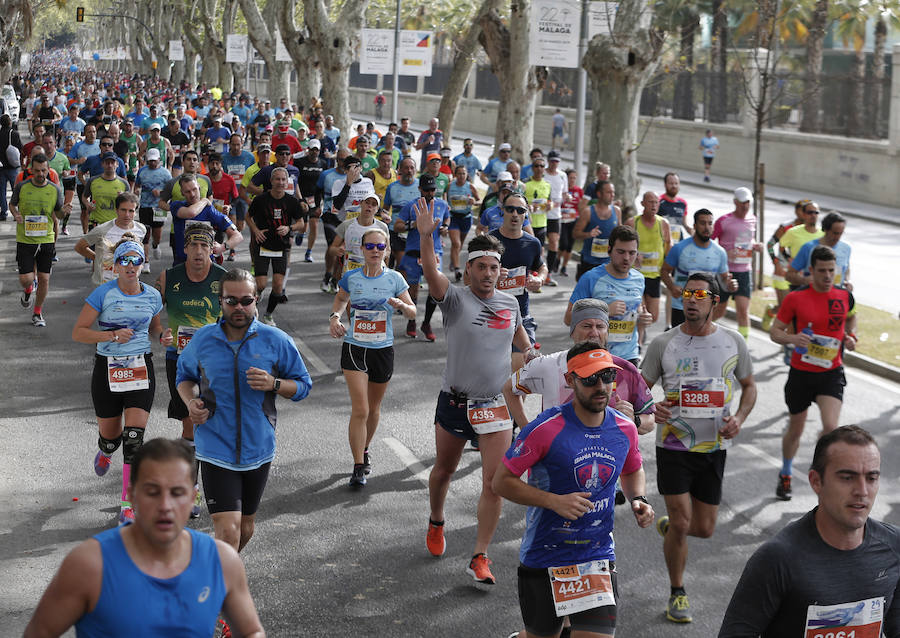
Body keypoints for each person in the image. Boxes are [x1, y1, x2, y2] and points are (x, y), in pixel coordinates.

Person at [23, 438, 267, 638]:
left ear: (193, 498)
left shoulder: (221, 562)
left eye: (177, 493)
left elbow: (251, 632)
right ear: (132, 495)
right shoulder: (89, 566)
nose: (165, 506)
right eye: (152, 492)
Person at [495, 343, 654, 638]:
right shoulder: (545, 429)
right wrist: (553, 501)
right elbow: (501, 481)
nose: (601, 386)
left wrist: (639, 499)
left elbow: (632, 469)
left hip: (596, 555)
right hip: (546, 555)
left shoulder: (624, 428)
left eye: (607, 376)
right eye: (590, 378)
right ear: (570, 381)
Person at [415, 201, 532, 585]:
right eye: (481, 266)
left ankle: (480, 555)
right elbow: (431, 271)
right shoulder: (454, 299)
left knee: (494, 483)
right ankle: (436, 520)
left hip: (495, 406)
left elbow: (523, 346)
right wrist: (426, 235)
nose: (488, 273)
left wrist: (533, 362)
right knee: (444, 471)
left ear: (501, 271)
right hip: (455, 401)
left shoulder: (509, 303)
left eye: (494, 267)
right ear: (468, 269)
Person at [641, 272, 757, 623]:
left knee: (703, 528)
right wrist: (652, 408)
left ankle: (673, 527)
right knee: (681, 520)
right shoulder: (664, 343)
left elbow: (749, 387)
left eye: (699, 294)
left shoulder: (733, 342)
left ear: (714, 302)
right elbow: (640, 391)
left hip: (713, 448)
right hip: (674, 445)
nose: (690, 299)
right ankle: (677, 591)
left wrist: (739, 417)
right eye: (687, 293)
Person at [176, 268, 313, 554]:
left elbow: (303, 386)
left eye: (246, 300)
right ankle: (215, 591)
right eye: (231, 301)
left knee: (245, 528)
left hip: (258, 447)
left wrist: (274, 383)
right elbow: (184, 378)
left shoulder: (276, 340)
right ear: (220, 301)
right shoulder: (203, 340)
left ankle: (220, 574)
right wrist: (191, 403)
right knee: (227, 532)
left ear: (256, 300)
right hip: (214, 446)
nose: (239, 307)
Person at [718, 425, 899, 638]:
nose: (862, 491)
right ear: (816, 481)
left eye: (871, 478)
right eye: (847, 477)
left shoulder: (894, 546)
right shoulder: (777, 559)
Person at [72, 236, 172, 524]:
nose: (130, 266)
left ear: (143, 264)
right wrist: (111, 336)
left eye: (136, 260)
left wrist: (162, 336)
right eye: (124, 260)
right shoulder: (103, 294)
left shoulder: (153, 296)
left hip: (140, 366)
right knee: (112, 437)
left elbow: (155, 328)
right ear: (115, 266)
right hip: (107, 368)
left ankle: (128, 504)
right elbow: (79, 332)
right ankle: (105, 451)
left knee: (134, 439)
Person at [329, 227, 416, 487]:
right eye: (370, 246)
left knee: (374, 409)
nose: (375, 251)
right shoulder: (351, 277)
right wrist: (334, 318)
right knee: (361, 408)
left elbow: (413, 312)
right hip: (355, 347)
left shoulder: (395, 279)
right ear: (362, 249)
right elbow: (341, 299)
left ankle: (365, 448)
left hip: (382, 349)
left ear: (387, 250)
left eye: (380, 247)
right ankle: (358, 465)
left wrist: (402, 306)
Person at [770, 245, 857, 501]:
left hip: (831, 372)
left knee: (831, 428)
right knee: (796, 429)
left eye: (832, 270)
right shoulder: (795, 298)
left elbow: (851, 318)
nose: (828, 276)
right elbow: (775, 331)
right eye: (822, 271)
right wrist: (793, 338)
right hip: (801, 373)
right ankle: (786, 472)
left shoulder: (844, 296)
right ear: (811, 271)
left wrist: (852, 336)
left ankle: (821, 476)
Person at [505, 298, 656, 437]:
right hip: (557, 459)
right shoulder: (548, 364)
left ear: (607, 331)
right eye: (587, 326)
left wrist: (634, 420)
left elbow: (650, 420)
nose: (594, 333)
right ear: (572, 332)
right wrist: (528, 431)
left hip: (608, 460)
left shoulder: (625, 369)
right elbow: (508, 388)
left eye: (600, 326)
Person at [156, 223, 226, 518]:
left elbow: (245, 317)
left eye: (205, 246)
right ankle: (191, 491)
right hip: (180, 361)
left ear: (213, 248)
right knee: (190, 426)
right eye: (193, 246)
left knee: (211, 426)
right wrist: (161, 331)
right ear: (184, 248)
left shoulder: (223, 279)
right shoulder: (168, 277)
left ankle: (216, 486)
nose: (198, 252)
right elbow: (149, 310)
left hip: (215, 363)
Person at [566, 225, 652, 366]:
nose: (626, 258)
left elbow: (637, 313)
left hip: (629, 355)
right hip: (595, 354)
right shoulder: (591, 278)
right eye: (621, 252)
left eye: (632, 253)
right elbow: (569, 318)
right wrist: (604, 311)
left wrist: (642, 319)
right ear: (609, 250)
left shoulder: (639, 279)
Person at [10, 152, 67, 328]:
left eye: (44, 170)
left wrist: (64, 211)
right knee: (26, 279)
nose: (41, 174)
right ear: (31, 170)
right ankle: (28, 290)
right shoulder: (22, 187)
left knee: (44, 278)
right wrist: (16, 214)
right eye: (37, 171)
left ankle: (37, 312)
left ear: (48, 170)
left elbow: (58, 213)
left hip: (46, 239)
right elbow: (12, 204)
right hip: (25, 239)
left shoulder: (54, 189)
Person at [491, 192, 546, 370]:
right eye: (510, 209)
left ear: (526, 214)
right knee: (493, 373)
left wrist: (539, 279)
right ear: (503, 211)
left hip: (520, 316)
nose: (515, 214)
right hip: (491, 314)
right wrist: (492, 276)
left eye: (520, 210)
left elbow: (542, 268)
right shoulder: (489, 241)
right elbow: (469, 279)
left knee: (521, 367)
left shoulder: (532, 243)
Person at [246, 166, 307, 326]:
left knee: (278, 287)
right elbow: (248, 216)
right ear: (271, 181)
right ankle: (254, 302)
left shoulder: (292, 201)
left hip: (281, 247)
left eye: (283, 180)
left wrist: (289, 228)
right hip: (263, 245)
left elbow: (301, 224)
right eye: (277, 179)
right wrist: (255, 230)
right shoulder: (260, 200)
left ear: (287, 182)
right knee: (260, 284)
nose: (280, 182)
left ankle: (268, 314)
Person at [395, 173, 450, 341]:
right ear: (420, 189)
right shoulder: (411, 206)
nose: (430, 193)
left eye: (433, 190)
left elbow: (447, 218)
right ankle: (411, 321)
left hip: (434, 252)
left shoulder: (442, 204)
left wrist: (445, 227)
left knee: (436, 289)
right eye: (426, 190)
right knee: (413, 288)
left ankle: (426, 323)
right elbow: (397, 226)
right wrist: (414, 224)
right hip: (414, 251)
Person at [660, 209, 734, 328]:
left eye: (710, 224)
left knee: (702, 344)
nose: (706, 227)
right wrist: (671, 286)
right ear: (694, 225)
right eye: (702, 223)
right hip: (682, 306)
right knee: (681, 344)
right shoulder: (680, 248)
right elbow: (664, 271)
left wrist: (730, 284)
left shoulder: (720, 252)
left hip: (706, 308)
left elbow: (725, 279)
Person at [711, 186, 763, 340]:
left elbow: (748, 239)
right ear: (735, 202)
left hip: (745, 270)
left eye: (748, 202)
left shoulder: (752, 219)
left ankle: (743, 344)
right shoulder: (724, 221)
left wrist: (755, 246)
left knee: (743, 311)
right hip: (725, 271)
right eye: (742, 203)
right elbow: (709, 242)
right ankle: (699, 328)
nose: (745, 206)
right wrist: (725, 254)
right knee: (720, 311)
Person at [626, 191, 670, 345]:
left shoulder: (663, 223)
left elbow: (668, 245)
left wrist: (666, 266)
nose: (654, 205)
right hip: (636, 275)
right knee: (641, 312)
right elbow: (624, 244)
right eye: (650, 202)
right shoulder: (633, 223)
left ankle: (639, 332)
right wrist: (634, 255)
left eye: (656, 202)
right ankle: (637, 342)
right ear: (643, 204)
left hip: (655, 276)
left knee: (654, 316)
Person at [75, 193, 147, 285]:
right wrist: (97, 258)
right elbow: (80, 247)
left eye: (131, 211)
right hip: (104, 283)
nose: (127, 215)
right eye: (123, 210)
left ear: (135, 212)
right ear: (116, 210)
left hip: (129, 283)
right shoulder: (102, 230)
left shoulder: (141, 229)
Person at [169, 174, 242, 264]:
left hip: (207, 264)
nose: (192, 194)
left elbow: (238, 236)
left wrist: (222, 247)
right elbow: (191, 213)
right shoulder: (176, 205)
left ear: (199, 187)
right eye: (187, 191)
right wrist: (204, 200)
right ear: (182, 192)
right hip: (183, 263)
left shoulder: (209, 210)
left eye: (194, 189)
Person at [762, 199, 808, 331]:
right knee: (786, 309)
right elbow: (770, 244)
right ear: (797, 211)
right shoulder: (786, 227)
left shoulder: (811, 232)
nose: (806, 213)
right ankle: (786, 342)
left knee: (794, 309)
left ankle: (772, 311)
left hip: (800, 277)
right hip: (782, 273)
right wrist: (776, 262)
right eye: (803, 209)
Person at [787, 211, 852, 290]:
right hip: (813, 296)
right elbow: (789, 274)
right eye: (835, 233)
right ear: (825, 230)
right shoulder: (808, 248)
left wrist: (847, 281)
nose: (838, 237)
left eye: (841, 233)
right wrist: (803, 280)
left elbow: (846, 269)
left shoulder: (846, 248)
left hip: (835, 297)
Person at [133, 148, 172, 272]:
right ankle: (146, 262)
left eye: (154, 161)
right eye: (150, 161)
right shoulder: (142, 171)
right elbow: (137, 185)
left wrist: (161, 192)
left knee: (157, 233)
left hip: (159, 206)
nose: (152, 163)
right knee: (145, 233)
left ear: (159, 160)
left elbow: (170, 190)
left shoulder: (165, 173)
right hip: (145, 205)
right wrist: (137, 191)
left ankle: (156, 245)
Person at [573, 180, 620, 281]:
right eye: (609, 192)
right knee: (587, 295)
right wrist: (589, 234)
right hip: (589, 262)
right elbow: (575, 234)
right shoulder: (588, 212)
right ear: (599, 194)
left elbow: (620, 234)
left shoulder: (616, 211)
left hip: (608, 263)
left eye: (613, 192)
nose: (612, 195)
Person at [446, 164, 480, 282]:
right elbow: (444, 197)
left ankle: (453, 259)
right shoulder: (450, 186)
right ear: (455, 175)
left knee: (459, 244)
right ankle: (456, 269)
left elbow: (479, 201)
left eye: (463, 174)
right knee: (456, 243)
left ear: (467, 175)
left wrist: (474, 201)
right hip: (453, 217)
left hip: (466, 218)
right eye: (459, 173)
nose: (461, 176)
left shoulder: (470, 187)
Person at [558, 169, 583, 277]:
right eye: (570, 178)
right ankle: (558, 259)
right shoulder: (562, 189)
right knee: (563, 243)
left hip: (574, 220)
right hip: (563, 220)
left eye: (574, 178)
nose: (572, 180)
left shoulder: (579, 190)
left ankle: (564, 267)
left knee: (569, 246)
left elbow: (581, 206)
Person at [0, 113, 23, 221]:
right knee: (16, 190)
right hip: (12, 166)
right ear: (10, 122)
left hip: (1, 166)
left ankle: (3, 212)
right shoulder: (14, 134)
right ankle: (17, 211)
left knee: (2, 191)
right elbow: (20, 147)